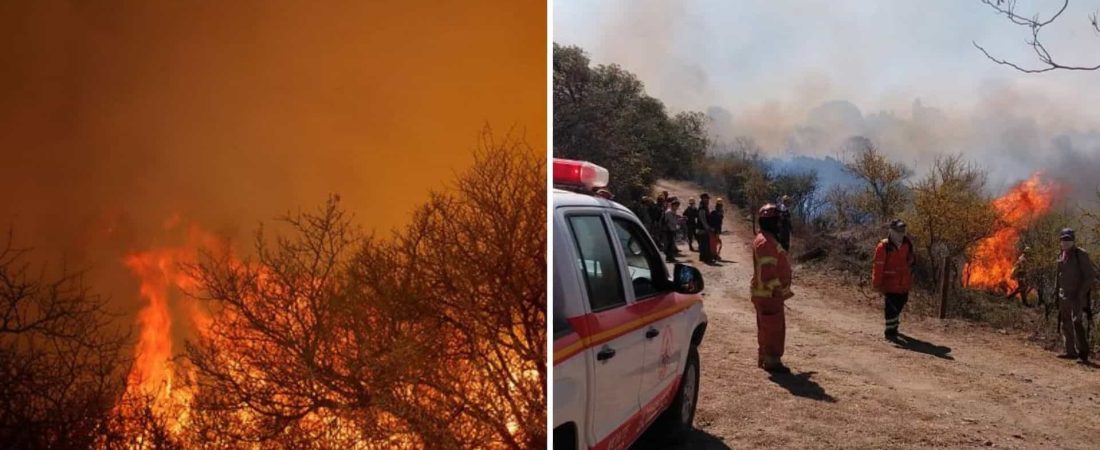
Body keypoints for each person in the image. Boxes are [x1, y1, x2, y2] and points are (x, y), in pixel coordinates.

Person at [751, 204, 794, 373]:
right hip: (769, 295)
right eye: (776, 221)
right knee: (773, 328)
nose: (779, 224)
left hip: (767, 294)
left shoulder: (765, 239)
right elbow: (768, 273)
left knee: (766, 326)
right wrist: (780, 291)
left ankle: (765, 357)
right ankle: (772, 361)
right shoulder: (766, 242)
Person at [1055, 228, 1095, 363]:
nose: (1065, 242)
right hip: (1063, 295)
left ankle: (1083, 355)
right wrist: (1057, 292)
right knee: (1065, 323)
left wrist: (1081, 293)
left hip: (1077, 296)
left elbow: (1090, 276)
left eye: (1068, 239)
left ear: (1073, 240)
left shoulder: (1081, 254)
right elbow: (1059, 275)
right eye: (1063, 240)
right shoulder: (1061, 254)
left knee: (1077, 323)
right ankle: (1070, 351)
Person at [872, 219, 916, 340]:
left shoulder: (907, 244)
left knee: (900, 304)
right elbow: (878, 265)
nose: (901, 232)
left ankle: (894, 326)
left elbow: (911, 261)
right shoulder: (883, 246)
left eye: (903, 230)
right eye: (898, 230)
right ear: (891, 231)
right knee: (891, 308)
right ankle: (890, 332)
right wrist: (877, 283)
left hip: (904, 283)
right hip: (889, 283)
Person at [662, 198, 682, 262]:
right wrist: (680, 220)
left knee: (671, 244)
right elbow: (673, 221)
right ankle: (670, 257)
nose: (677, 207)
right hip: (668, 230)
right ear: (673, 205)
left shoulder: (673, 211)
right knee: (670, 245)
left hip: (671, 229)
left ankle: (670, 257)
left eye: (677, 206)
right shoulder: (669, 212)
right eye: (676, 206)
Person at [696, 193, 714, 264]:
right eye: (706, 198)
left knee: (703, 244)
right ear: (703, 199)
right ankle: (706, 259)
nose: (708, 200)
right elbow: (703, 220)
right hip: (702, 229)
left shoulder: (704, 207)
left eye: (708, 199)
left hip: (702, 229)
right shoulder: (702, 208)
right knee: (705, 244)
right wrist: (708, 228)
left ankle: (703, 257)